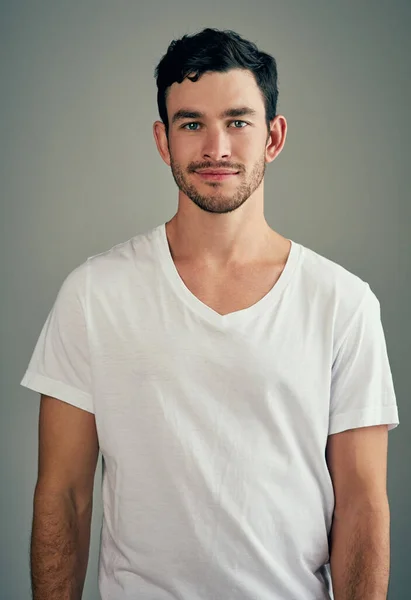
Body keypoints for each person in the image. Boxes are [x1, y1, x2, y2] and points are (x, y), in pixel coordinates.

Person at [20, 27, 399, 600]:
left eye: (238, 122)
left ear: (274, 137)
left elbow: (364, 506)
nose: (216, 147)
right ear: (162, 140)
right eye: (191, 123)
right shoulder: (93, 295)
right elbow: (63, 496)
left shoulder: (343, 303)